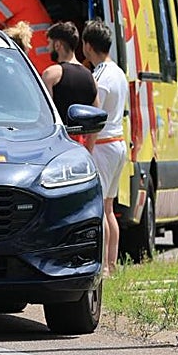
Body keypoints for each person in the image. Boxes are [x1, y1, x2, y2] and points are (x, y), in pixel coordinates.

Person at [81, 19, 127, 276]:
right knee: (109, 208)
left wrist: (87, 147)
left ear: (88, 46)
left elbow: (95, 117)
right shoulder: (118, 71)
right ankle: (112, 263)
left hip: (104, 144)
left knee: (100, 208)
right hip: (118, 143)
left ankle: (104, 266)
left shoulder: (100, 76)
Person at [40, 22, 97, 143]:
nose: (47, 48)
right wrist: (89, 150)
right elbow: (95, 122)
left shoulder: (51, 75)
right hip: (80, 146)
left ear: (57, 45)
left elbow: (44, 116)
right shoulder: (91, 78)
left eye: (49, 43)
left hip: (57, 143)